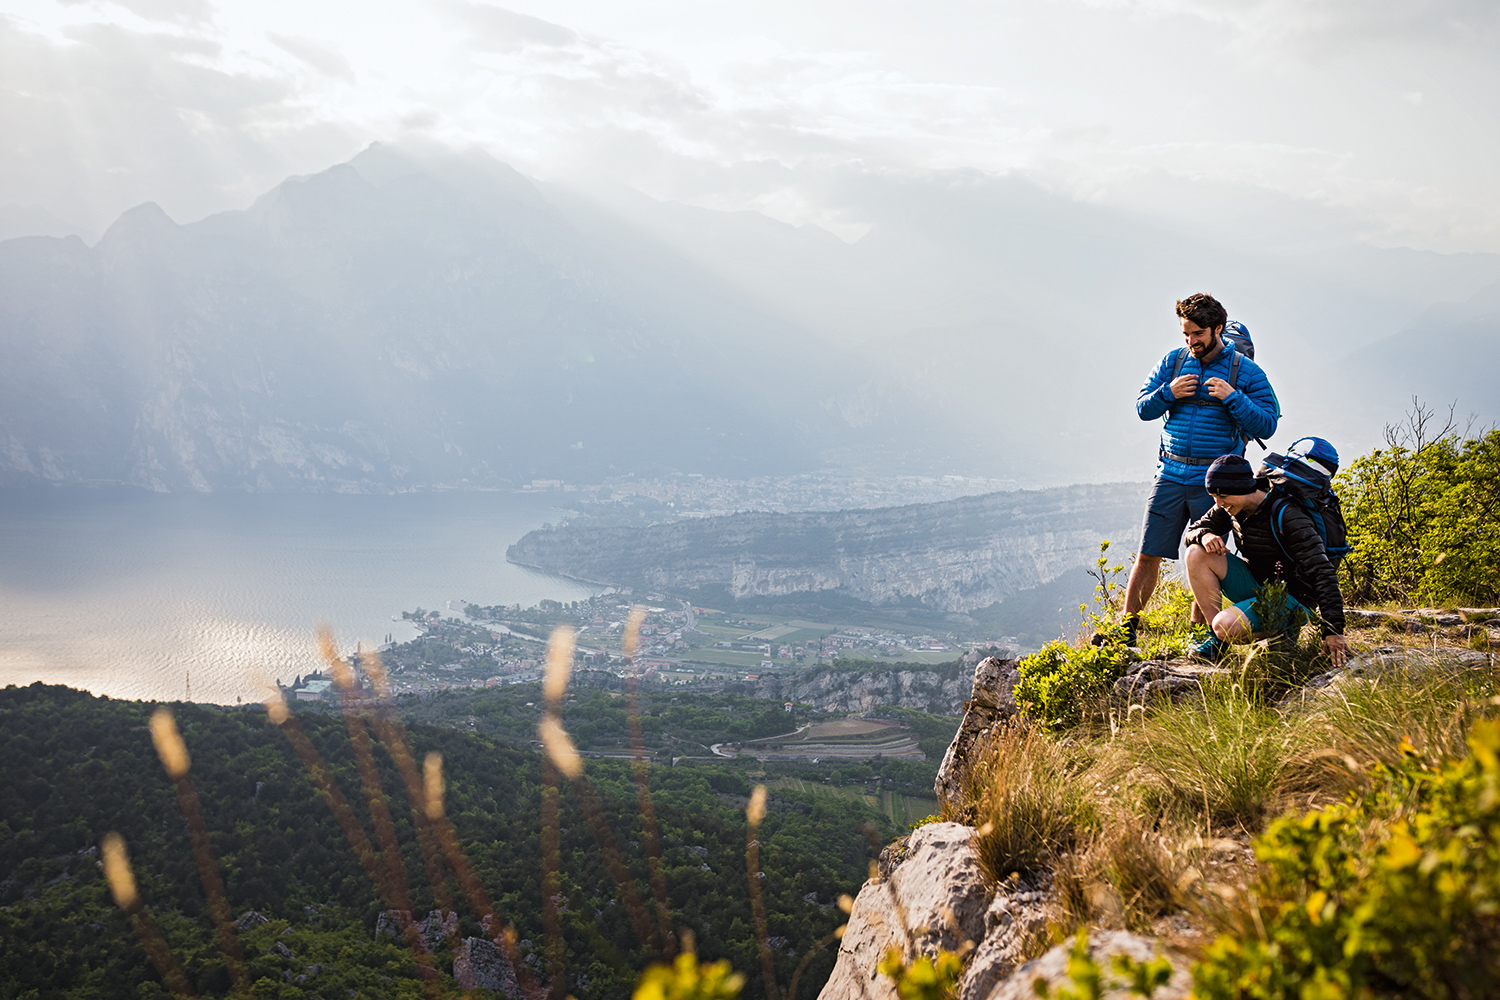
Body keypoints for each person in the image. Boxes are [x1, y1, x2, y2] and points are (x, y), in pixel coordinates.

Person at [1108, 293, 1280, 646]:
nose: (1191, 341)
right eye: (1186, 333)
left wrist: (1232, 396)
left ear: (1218, 329)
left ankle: (1202, 632)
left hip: (1214, 482)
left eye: (1198, 333)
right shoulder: (1173, 363)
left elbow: (1267, 424)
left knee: (1205, 553)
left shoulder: (1244, 371)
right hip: (1170, 473)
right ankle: (1126, 630)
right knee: (1148, 552)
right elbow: (1142, 407)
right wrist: (1168, 393)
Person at [1181, 454, 1348, 665]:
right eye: (1213, 495)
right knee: (1196, 553)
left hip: (1294, 597)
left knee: (1224, 625)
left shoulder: (1287, 515)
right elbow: (1193, 530)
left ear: (1242, 487)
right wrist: (1204, 535)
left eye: (1222, 496)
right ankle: (1216, 643)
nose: (1218, 502)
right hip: (1259, 583)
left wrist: (1333, 630)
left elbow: (1322, 572)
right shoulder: (1230, 507)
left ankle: (1285, 627)